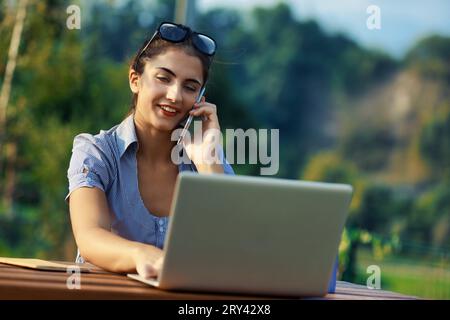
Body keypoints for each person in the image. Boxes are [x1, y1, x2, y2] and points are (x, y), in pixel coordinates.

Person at [65, 22, 234, 279]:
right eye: (163, 78)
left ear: (201, 98)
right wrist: (142, 255)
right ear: (135, 79)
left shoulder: (207, 159)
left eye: (190, 87)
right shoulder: (96, 152)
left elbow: (233, 248)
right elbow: (89, 235)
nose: (175, 95)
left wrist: (209, 165)